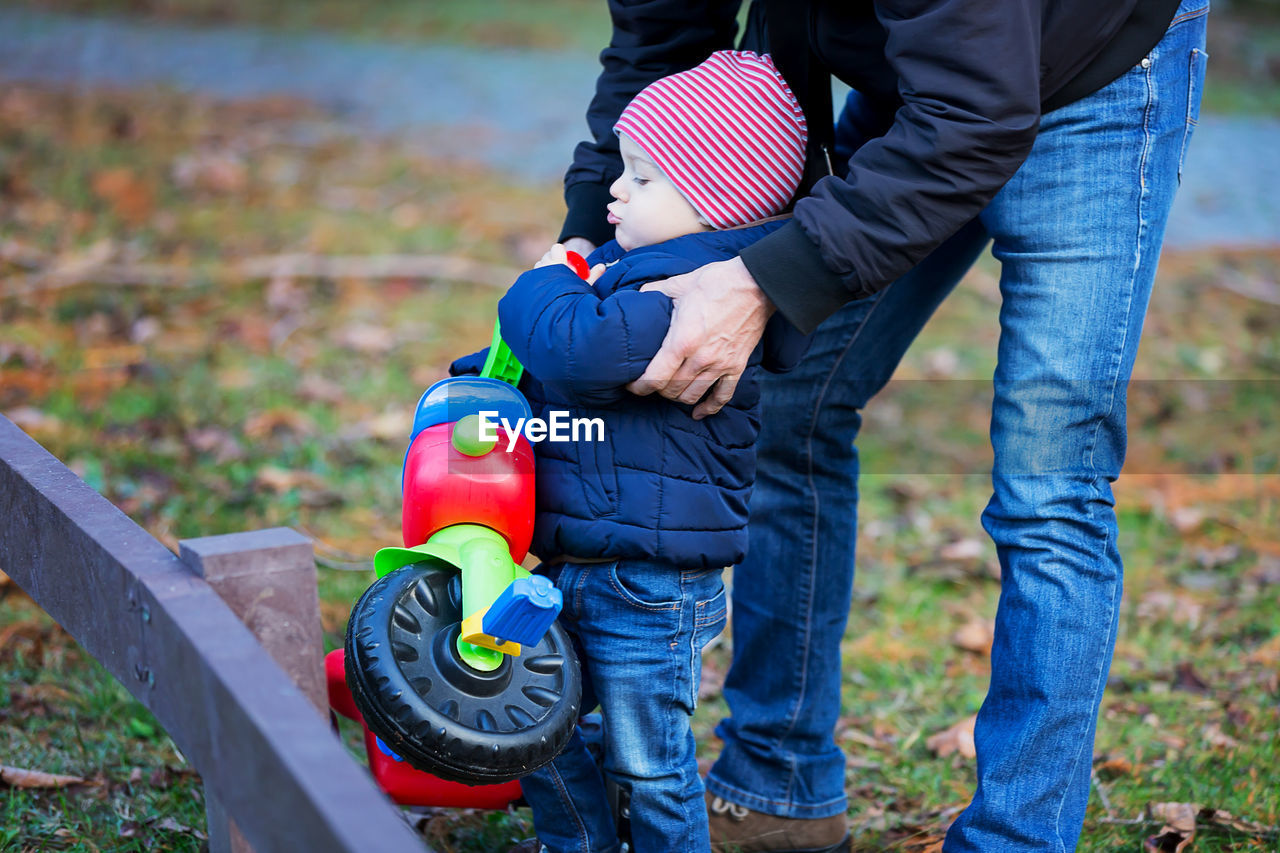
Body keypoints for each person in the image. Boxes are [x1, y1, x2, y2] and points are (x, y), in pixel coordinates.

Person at [553, 1, 1209, 851]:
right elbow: (664, 40)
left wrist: (761, 283)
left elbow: (980, 113)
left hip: (1097, 79)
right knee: (790, 404)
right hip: (927, 88)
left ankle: (1015, 837)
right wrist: (579, 237)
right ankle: (779, 789)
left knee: (1051, 482)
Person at [454, 51, 810, 853]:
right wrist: (490, 393)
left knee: (648, 760)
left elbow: (582, 356)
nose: (614, 189)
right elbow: (574, 401)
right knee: (536, 725)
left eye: (643, 178)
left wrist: (539, 284)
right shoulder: (625, 276)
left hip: (649, 582)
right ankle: (576, 842)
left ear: (713, 199)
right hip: (572, 559)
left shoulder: (687, 296)